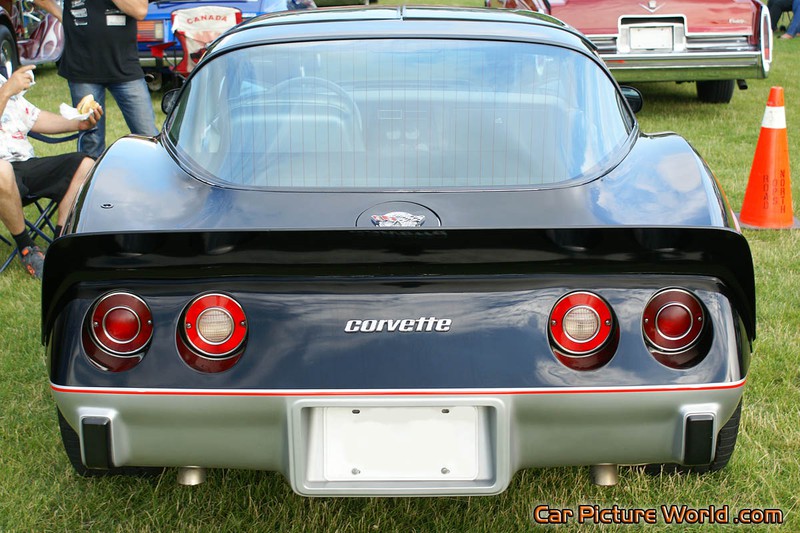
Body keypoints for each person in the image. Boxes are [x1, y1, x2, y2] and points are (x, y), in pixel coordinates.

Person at [0, 65, 101, 279]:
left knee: (84, 164)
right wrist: (6, 91)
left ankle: (60, 247)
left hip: (24, 164)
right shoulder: (5, 87)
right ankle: (27, 248)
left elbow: (34, 117)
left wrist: (78, 123)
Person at [33, 0, 157, 158]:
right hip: (82, 67)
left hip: (124, 67)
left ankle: (156, 180)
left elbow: (140, 10)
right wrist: (64, 16)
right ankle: (90, 181)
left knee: (147, 137)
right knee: (90, 141)